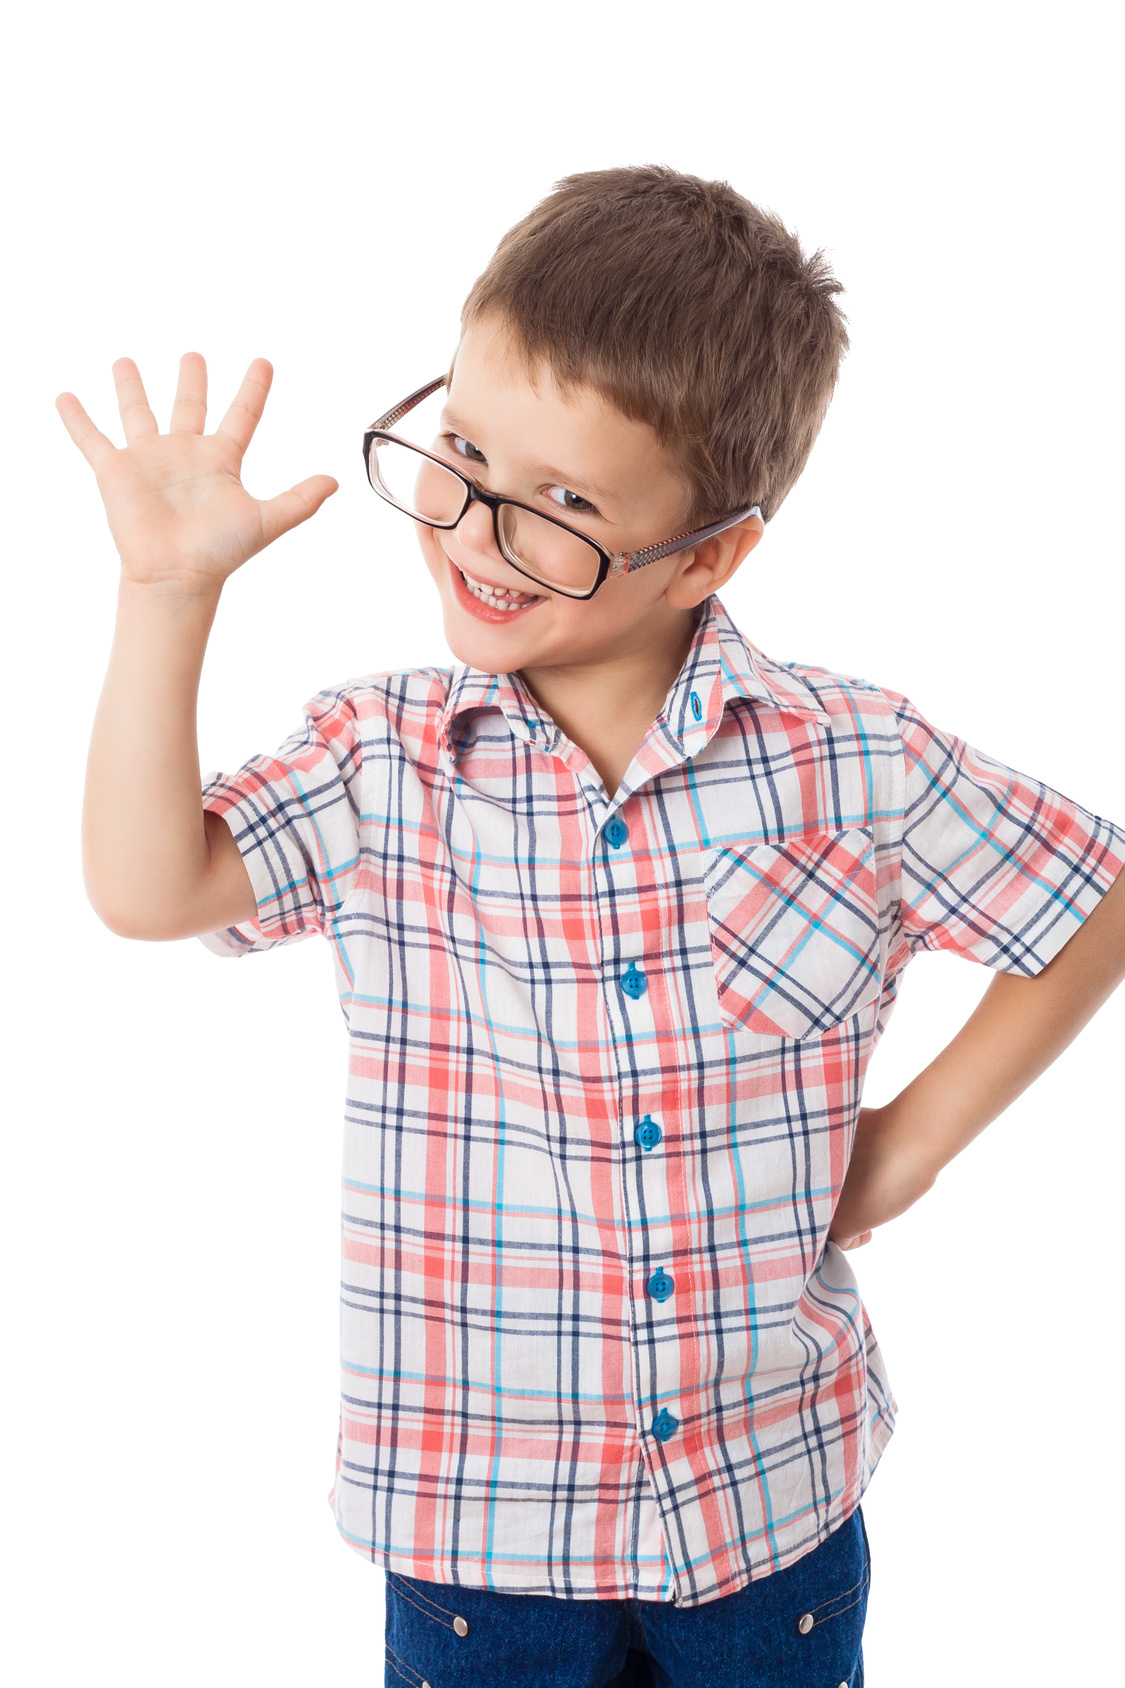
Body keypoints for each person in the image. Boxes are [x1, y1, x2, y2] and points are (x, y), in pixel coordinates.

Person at [58, 166, 1125, 1688]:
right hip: (482, 1539)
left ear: (709, 555)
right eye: (464, 453)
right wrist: (166, 599)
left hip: (769, 1514)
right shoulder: (385, 758)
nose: (481, 531)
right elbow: (146, 888)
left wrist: (913, 1139)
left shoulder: (851, 759)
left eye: (566, 505)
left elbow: (1093, 896)